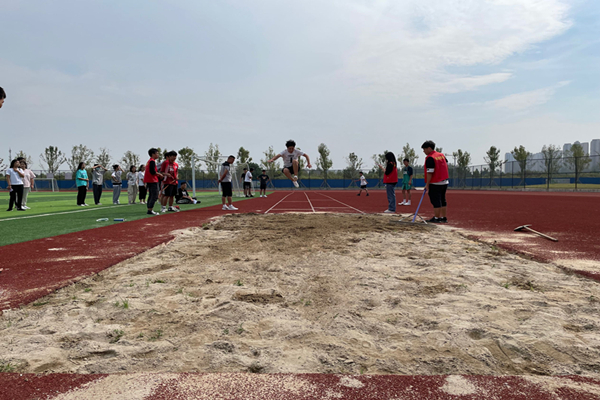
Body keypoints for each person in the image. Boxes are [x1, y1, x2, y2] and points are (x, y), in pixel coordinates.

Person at [422, 140, 449, 223]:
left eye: (424, 149)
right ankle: (444, 217)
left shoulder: (430, 158)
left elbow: (430, 172)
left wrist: (427, 184)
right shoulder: (441, 155)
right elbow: (446, 164)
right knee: (442, 199)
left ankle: (437, 218)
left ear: (429, 148)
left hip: (435, 182)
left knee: (435, 200)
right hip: (444, 181)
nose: (423, 151)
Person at [144, 148, 164, 215]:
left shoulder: (149, 161)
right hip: (152, 180)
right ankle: (150, 210)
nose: (158, 155)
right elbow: (152, 171)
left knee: (151, 195)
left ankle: (149, 209)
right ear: (153, 154)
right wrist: (160, 174)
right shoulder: (152, 161)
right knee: (154, 195)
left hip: (150, 180)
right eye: (157, 153)